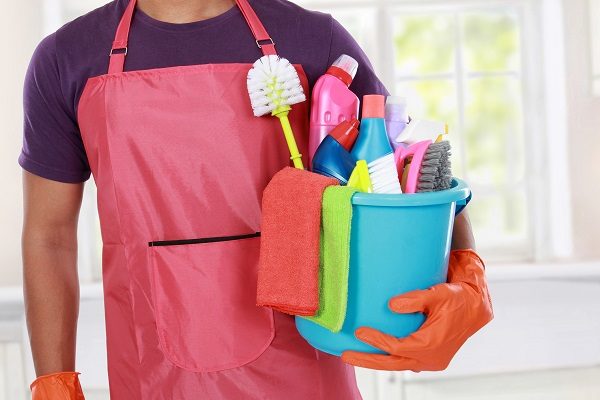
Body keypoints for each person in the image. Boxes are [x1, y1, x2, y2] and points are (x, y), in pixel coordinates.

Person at [19, 0, 493, 398]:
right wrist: (54, 382)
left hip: (303, 368)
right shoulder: (68, 58)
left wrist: (468, 274)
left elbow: (412, 175)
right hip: (152, 373)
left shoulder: (312, 39)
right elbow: (49, 236)